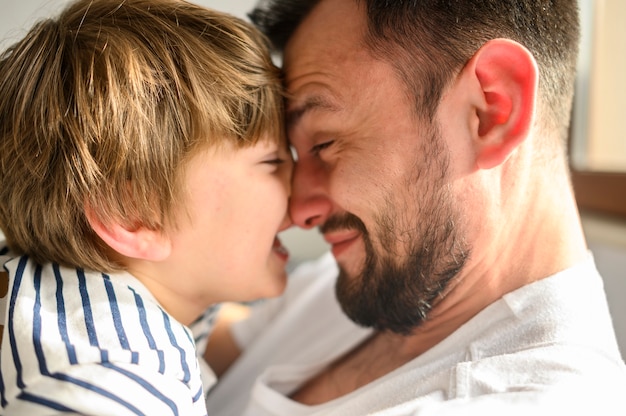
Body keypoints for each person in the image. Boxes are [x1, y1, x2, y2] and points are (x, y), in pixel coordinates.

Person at [202, 0, 626, 414]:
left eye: (325, 144)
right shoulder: (381, 279)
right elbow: (217, 338)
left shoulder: (539, 401)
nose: (298, 211)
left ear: (492, 110)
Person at [0, 0, 292, 414]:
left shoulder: (122, 286)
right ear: (133, 214)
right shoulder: (113, 386)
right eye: (272, 162)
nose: (303, 193)